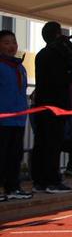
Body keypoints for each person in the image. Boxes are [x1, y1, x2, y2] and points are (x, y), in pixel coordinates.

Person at [31, 21, 72, 194]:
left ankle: (39, 180)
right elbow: (62, 78)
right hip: (54, 106)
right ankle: (51, 181)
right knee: (52, 144)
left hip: (43, 106)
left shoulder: (42, 54)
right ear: (56, 35)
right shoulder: (55, 55)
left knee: (42, 144)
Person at [0, 30, 32, 201]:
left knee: (15, 155)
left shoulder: (20, 67)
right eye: (6, 42)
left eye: (13, 42)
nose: (11, 46)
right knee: (1, 155)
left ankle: (13, 187)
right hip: (3, 119)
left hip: (18, 120)